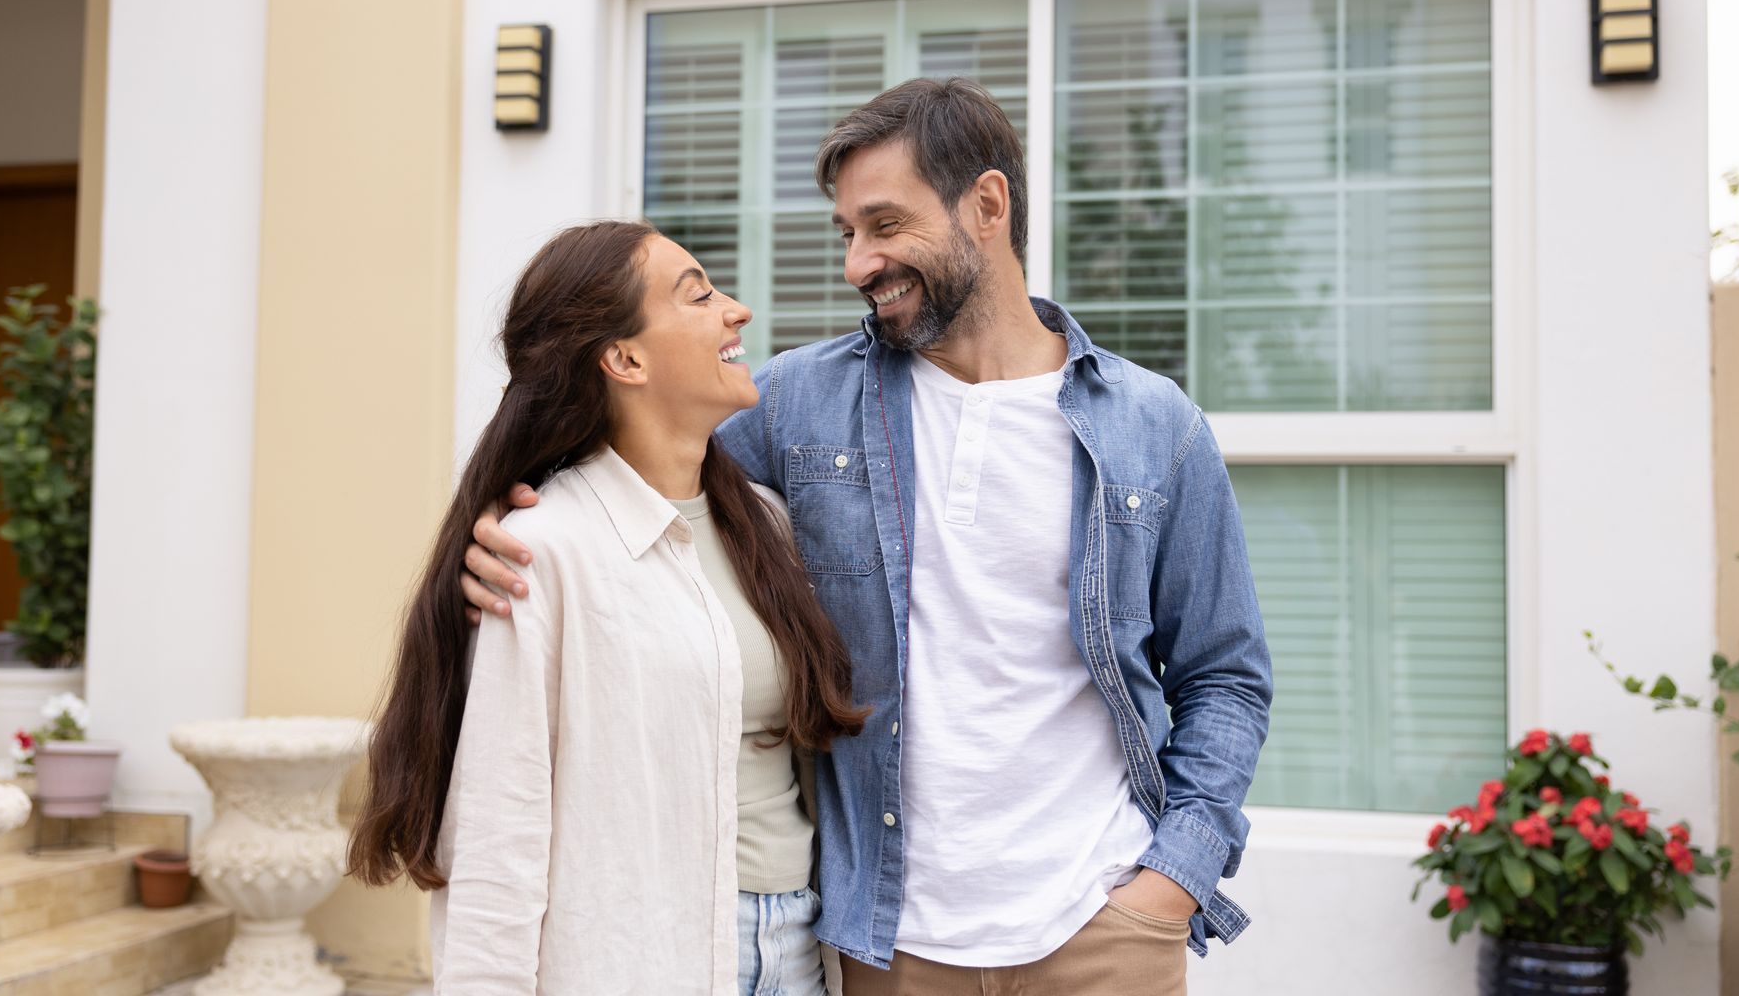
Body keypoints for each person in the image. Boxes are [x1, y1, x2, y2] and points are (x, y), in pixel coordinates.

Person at [463, 79, 1274, 995]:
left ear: (987, 205)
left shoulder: (1153, 426)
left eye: (884, 226)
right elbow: (631, 479)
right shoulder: (797, 403)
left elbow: (1223, 674)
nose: (858, 262)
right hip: (888, 942)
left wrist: (1172, 880)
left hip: (1103, 928)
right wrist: (502, 522)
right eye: (846, 233)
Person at [348, 220, 865, 994]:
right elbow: (501, 834)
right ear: (624, 358)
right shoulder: (541, 552)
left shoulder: (766, 525)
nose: (737, 311)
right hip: (647, 954)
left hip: (795, 949)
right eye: (699, 295)